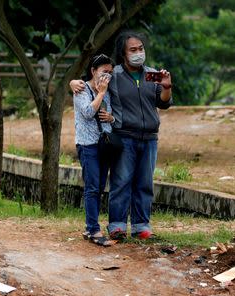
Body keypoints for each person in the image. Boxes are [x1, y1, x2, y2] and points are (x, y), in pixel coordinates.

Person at [70, 31, 172, 239]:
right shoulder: (113, 74)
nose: (138, 53)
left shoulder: (151, 75)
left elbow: (163, 102)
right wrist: (72, 82)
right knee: (121, 181)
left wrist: (167, 86)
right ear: (123, 54)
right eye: (132, 50)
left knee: (145, 182)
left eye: (141, 48)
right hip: (124, 136)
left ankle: (141, 226)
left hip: (150, 137)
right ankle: (116, 225)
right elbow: (90, 82)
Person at [74, 54, 115, 246]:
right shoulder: (81, 89)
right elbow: (88, 113)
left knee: (98, 187)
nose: (107, 76)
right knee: (91, 187)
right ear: (93, 71)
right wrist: (100, 93)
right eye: (104, 72)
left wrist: (111, 118)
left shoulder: (108, 91)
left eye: (110, 72)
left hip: (104, 144)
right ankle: (93, 230)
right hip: (87, 145)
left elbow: (112, 114)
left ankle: (90, 226)